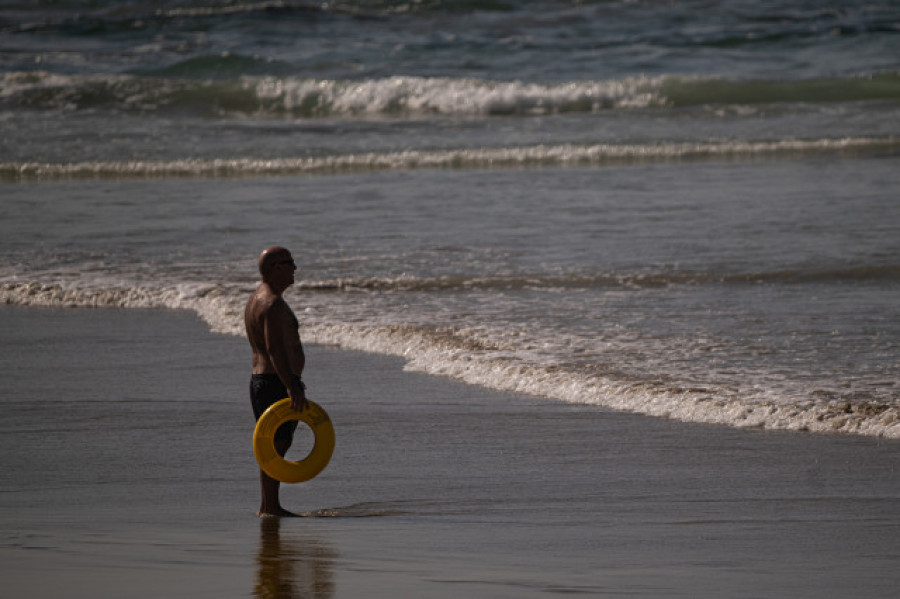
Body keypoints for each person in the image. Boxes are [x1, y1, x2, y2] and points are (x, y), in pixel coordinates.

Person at [245, 246, 309, 517]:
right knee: (276, 446)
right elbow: (275, 350)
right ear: (274, 268)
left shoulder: (257, 298)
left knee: (272, 445)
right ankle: (270, 506)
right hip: (274, 382)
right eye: (289, 262)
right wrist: (292, 385)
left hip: (263, 380)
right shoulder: (272, 304)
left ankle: (269, 505)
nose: (295, 267)